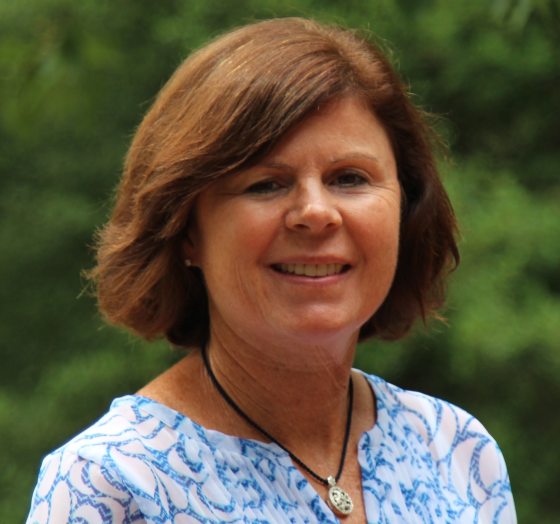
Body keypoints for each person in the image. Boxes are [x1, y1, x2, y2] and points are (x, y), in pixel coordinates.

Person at [26, 17, 516, 523]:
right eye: (266, 184)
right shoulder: (108, 484)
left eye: (349, 178)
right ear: (186, 231)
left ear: (405, 208)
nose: (316, 212)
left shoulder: (457, 453)